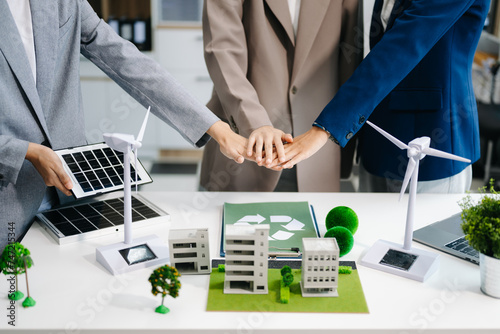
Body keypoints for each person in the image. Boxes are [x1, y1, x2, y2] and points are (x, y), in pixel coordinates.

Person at [0, 0, 249, 250]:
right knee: (13, 287)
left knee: (74, 280)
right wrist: (26, 151)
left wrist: (216, 127)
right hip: (9, 200)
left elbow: (126, 60)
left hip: (72, 195)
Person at [270, 0, 490, 193]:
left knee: (422, 240)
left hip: (432, 143)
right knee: (373, 239)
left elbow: (400, 47)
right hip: (379, 142)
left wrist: (324, 129)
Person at [199, 0, 362, 192]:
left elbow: (349, 60)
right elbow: (223, 51)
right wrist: (255, 123)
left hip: (316, 150)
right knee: (235, 220)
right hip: (244, 147)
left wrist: (339, 140)